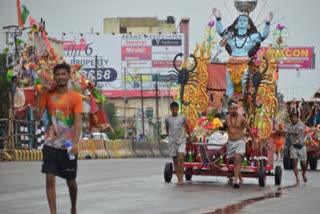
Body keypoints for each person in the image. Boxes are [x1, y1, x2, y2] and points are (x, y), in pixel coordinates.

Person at [34, 63, 83, 214]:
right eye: (58, 74)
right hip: (50, 142)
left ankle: (73, 207)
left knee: (71, 181)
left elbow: (78, 120)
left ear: (68, 76)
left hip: (68, 144)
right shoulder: (48, 95)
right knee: (49, 178)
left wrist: (74, 143)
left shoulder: (75, 97)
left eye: (63, 74)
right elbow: (37, 116)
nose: (61, 77)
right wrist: (40, 94)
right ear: (54, 77)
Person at [212, 8, 273, 99]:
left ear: (248, 25)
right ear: (236, 24)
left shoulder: (251, 38)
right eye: (240, 20)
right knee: (229, 86)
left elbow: (263, 35)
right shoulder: (230, 36)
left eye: (244, 21)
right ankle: (226, 108)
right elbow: (220, 31)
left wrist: (267, 23)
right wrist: (218, 18)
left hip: (244, 63)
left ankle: (245, 108)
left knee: (244, 85)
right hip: (231, 63)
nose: (242, 22)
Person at [225, 100, 256, 188]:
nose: (232, 111)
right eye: (230, 109)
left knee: (237, 159)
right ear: (228, 109)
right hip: (231, 142)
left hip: (240, 141)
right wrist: (226, 140)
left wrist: (254, 141)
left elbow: (249, 130)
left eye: (233, 109)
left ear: (237, 109)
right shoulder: (227, 118)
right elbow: (228, 130)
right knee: (235, 162)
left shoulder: (242, 118)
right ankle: (240, 177)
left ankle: (235, 180)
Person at [165, 101, 192, 185]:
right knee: (175, 160)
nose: (174, 111)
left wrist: (190, 137)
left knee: (180, 158)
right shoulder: (167, 118)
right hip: (172, 141)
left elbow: (187, 127)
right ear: (170, 109)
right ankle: (178, 178)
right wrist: (169, 136)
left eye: (176, 109)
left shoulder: (182, 118)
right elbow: (167, 127)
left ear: (178, 109)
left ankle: (181, 177)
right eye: (173, 109)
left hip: (181, 141)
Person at [285, 112, 308, 186]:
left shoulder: (300, 124)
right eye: (292, 118)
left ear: (297, 118)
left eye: (295, 117)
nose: (294, 119)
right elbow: (284, 132)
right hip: (293, 146)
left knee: (304, 164)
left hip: (302, 146)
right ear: (290, 119)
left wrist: (287, 132)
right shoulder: (288, 126)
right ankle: (297, 179)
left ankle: (303, 174)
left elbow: (296, 132)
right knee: (294, 162)